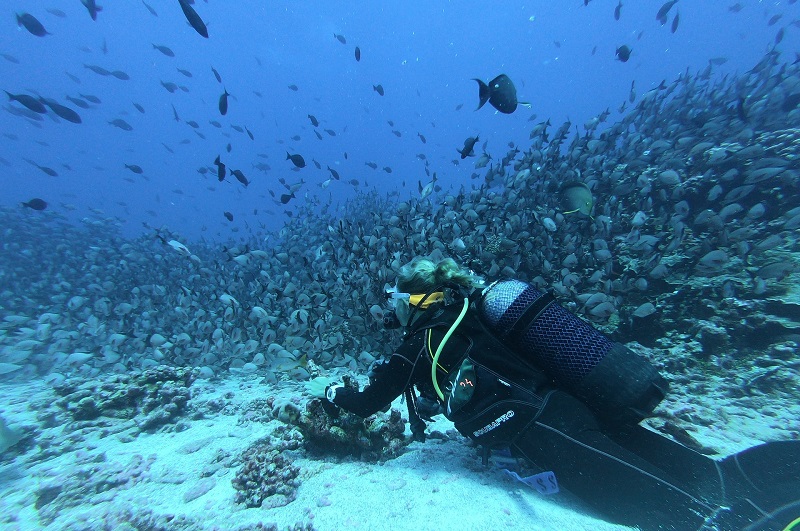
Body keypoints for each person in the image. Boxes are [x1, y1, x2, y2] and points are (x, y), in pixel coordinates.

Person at [308, 257, 800, 530]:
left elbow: (369, 401)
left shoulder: (422, 342)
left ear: (415, 301)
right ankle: (775, 473)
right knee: (712, 478)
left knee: (687, 518)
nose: (394, 312)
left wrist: (333, 394)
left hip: (544, 428)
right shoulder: (474, 315)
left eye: (396, 301)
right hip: (572, 402)